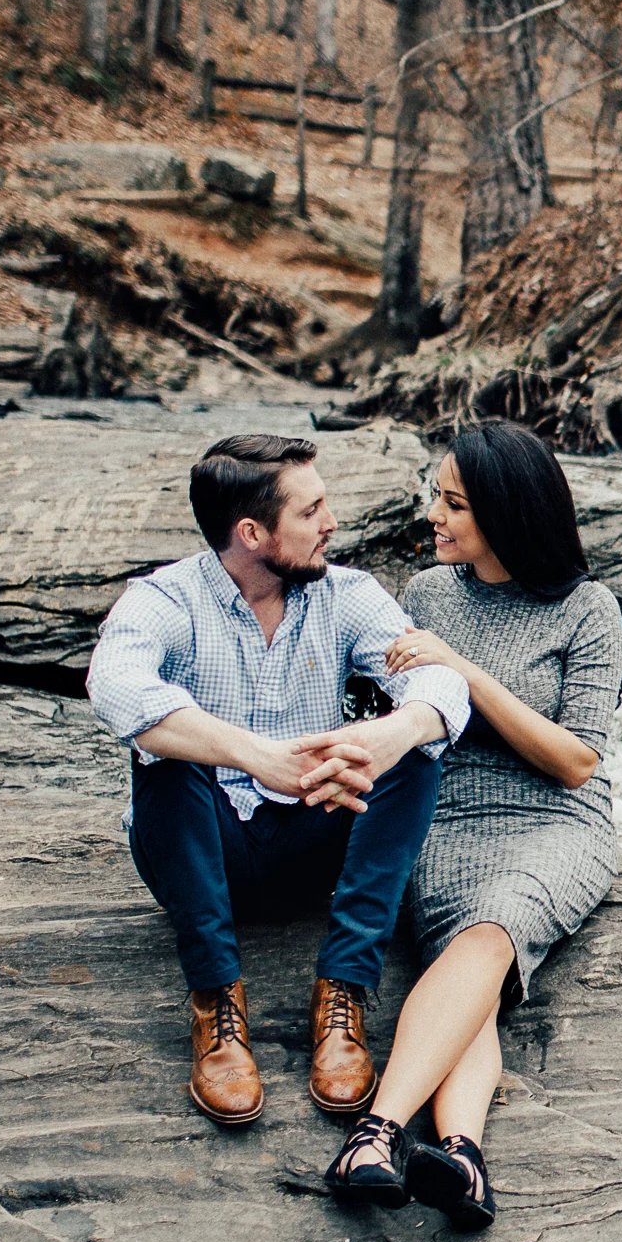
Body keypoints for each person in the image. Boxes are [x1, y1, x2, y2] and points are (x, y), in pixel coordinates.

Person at [86, 434, 470, 1127]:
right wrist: (257, 756)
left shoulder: (346, 594)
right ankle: (216, 1005)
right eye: (312, 511)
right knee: (165, 750)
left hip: (313, 840)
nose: (332, 523)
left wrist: (393, 730)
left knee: (414, 745)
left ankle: (345, 993)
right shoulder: (165, 598)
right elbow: (115, 687)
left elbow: (441, 682)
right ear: (252, 533)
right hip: (205, 851)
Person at [323, 420, 622, 1230]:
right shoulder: (426, 596)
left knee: (492, 934)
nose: (434, 516)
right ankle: (462, 1157)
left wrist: (462, 669)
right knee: (475, 977)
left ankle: (375, 1132)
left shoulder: (588, 610)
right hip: (444, 812)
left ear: (507, 512)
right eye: (436, 497)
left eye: (453, 504)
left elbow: (575, 760)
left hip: (554, 820)